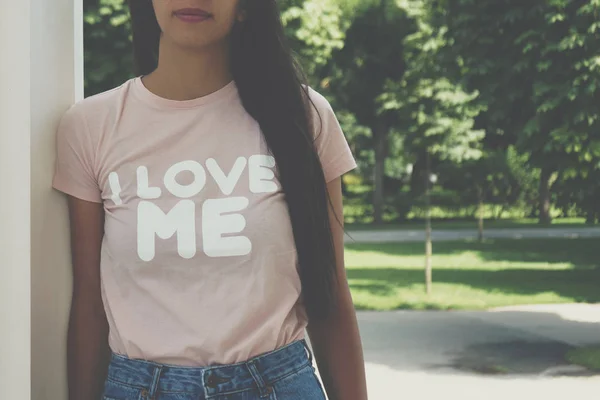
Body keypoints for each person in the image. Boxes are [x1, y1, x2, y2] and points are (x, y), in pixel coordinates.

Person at [52, 1, 368, 399]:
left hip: (279, 383)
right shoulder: (90, 126)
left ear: (246, 9)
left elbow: (331, 291)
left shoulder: (303, 116)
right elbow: (89, 302)